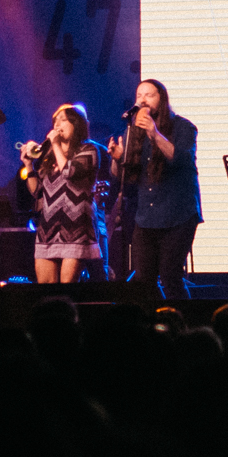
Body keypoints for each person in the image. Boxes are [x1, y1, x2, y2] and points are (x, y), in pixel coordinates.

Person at [113, 79, 201, 299]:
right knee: (143, 279)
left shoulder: (183, 127)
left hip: (178, 215)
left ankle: (183, 324)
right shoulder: (133, 131)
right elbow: (124, 175)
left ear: (161, 99)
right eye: (139, 95)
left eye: (149, 95)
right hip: (146, 218)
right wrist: (116, 159)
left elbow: (180, 159)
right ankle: (155, 324)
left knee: (171, 276)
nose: (142, 100)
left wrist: (154, 133)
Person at [18, 104, 104, 284]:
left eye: (63, 120)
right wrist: (28, 166)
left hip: (76, 229)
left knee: (67, 287)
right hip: (48, 230)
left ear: (77, 124)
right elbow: (37, 192)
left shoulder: (88, 150)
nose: (57, 124)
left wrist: (56, 144)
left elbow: (70, 172)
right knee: (46, 288)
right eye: (55, 121)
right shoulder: (50, 156)